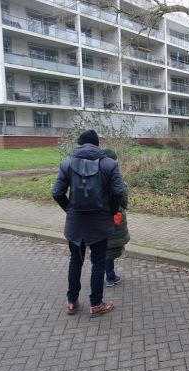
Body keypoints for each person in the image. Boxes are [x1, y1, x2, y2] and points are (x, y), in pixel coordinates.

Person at [52, 129, 124, 317]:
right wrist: (111, 211)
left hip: (75, 222)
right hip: (100, 221)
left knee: (76, 260)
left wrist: (69, 209)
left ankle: (72, 301)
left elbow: (56, 192)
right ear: (97, 144)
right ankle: (96, 304)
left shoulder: (67, 163)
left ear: (80, 144)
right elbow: (118, 192)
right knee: (98, 262)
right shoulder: (110, 163)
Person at [102, 148, 130, 287]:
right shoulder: (116, 176)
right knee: (110, 249)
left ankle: (104, 274)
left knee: (102, 248)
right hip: (114, 218)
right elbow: (123, 201)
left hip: (98, 218)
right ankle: (110, 277)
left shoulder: (93, 174)